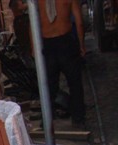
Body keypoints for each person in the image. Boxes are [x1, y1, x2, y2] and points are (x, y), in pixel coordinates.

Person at [37, 0, 86, 129]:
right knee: (75, 83)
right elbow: (79, 22)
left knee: (48, 85)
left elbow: (33, 24)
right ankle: (78, 119)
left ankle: (47, 119)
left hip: (48, 42)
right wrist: (81, 44)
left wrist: (34, 48)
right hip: (65, 41)